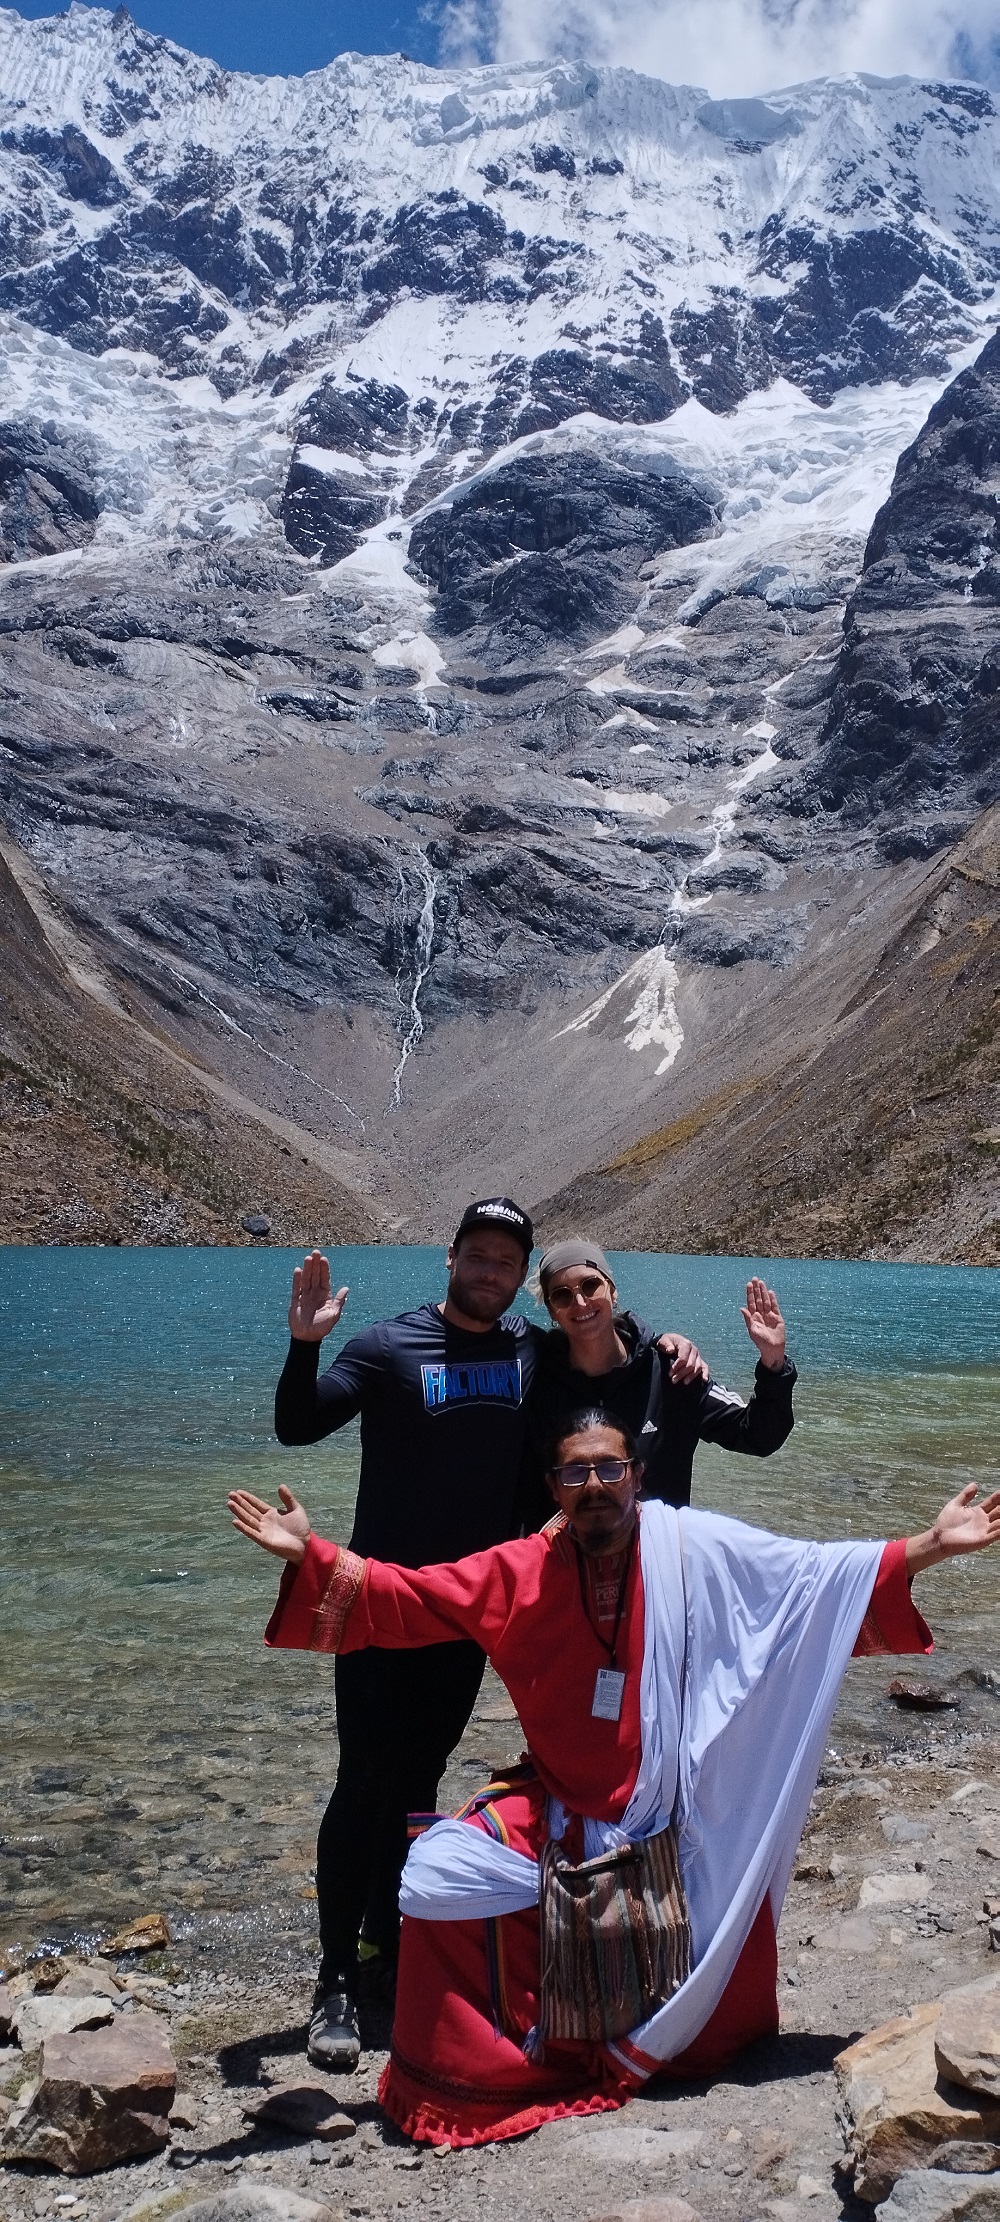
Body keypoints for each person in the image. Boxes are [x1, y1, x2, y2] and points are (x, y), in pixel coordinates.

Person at [229, 1413, 1000, 2145]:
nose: (593, 1483)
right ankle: (496, 2060)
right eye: (575, 1472)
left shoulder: (690, 1547)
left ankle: (636, 2031)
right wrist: (312, 1556)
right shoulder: (515, 1572)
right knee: (437, 1875)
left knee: (714, 1877)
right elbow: (408, 1597)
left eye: (608, 1467)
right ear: (553, 1485)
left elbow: (807, 1583)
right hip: (561, 1795)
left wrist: (929, 1544)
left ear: (635, 1475)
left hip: (678, 1801)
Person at [271, 1200, 704, 2069]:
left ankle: (388, 1943)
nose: (491, 1271)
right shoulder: (389, 1346)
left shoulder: (525, 1348)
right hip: (381, 1597)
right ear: (451, 1258)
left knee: (422, 1775)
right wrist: (307, 1341)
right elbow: (300, 1423)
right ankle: (335, 1985)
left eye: (507, 1262)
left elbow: (601, 1347)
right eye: (478, 1255)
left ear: (519, 1277)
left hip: (469, 1609)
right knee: (362, 1781)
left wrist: (667, 1342)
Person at [523, 1239, 796, 1517]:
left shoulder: (672, 1372)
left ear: (612, 1291)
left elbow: (759, 1436)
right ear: (551, 1310)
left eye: (591, 1285)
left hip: (658, 1555)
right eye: (562, 1295)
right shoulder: (537, 1381)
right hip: (567, 1557)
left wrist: (773, 1362)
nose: (580, 1302)